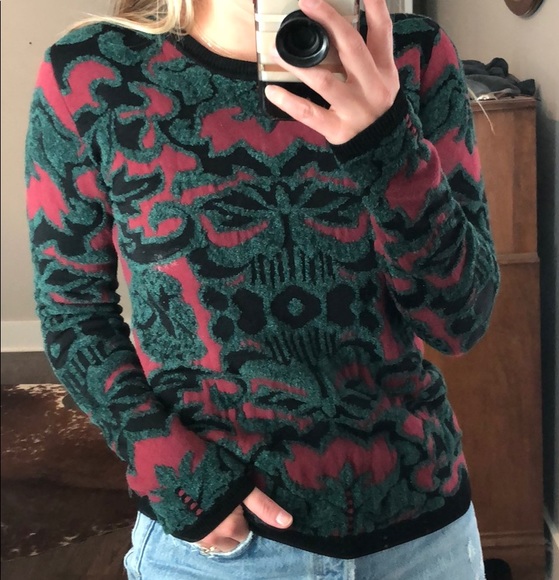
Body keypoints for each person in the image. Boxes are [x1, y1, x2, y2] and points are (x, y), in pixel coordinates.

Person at [24, 0, 499, 577]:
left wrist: (386, 142)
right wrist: (179, 475)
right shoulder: (92, 72)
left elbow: (459, 321)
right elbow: (73, 312)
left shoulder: (412, 56)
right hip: (222, 546)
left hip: (421, 537)